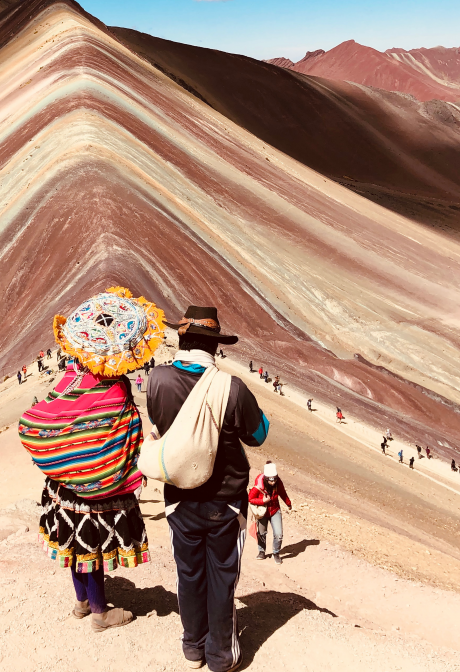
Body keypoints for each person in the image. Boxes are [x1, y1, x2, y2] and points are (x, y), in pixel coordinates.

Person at [18, 287, 165, 632]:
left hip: (62, 485)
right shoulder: (117, 388)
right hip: (97, 486)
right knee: (91, 549)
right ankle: (100, 611)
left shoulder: (69, 378)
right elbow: (126, 430)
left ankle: (82, 602)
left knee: (73, 544)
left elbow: (51, 414)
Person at [146, 304, 269, 672]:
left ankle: (193, 647)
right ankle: (221, 654)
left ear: (181, 338)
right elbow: (258, 434)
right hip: (225, 501)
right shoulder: (231, 387)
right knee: (222, 574)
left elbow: (159, 421)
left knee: (189, 572)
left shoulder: (157, 380)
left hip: (178, 500)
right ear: (215, 346)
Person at [249, 462, 291, 566]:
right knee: (262, 533)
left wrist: (288, 503)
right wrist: (263, 501)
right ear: (266, 479)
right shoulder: (258, 486)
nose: (273, 482)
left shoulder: (278, 483)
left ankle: (276, 553)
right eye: (270, 480)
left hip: (275, 510)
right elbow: (250, 498)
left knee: (279, 534)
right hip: (262, 512)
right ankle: (261, 552)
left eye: (275, 479)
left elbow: (282, 493)